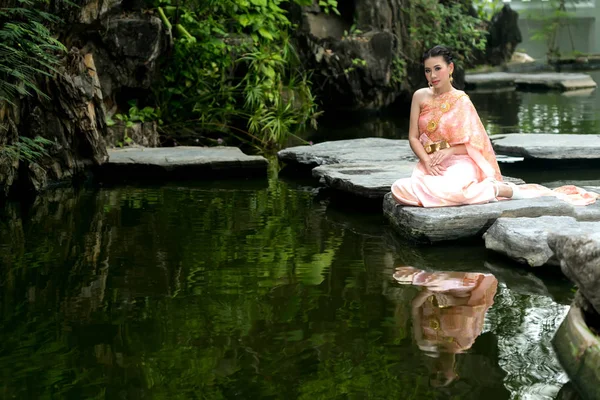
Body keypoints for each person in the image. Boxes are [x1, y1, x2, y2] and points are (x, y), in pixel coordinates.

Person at [391, 45, 598, 207]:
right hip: (431, 164)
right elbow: (413, 137)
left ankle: (499, 190)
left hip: (459, 163)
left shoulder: (461, 100)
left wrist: (449, 151)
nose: (433, 76)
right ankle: (477, 192)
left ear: (450, 68)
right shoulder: (420, 96)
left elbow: (476, 144)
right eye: (428, 71)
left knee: (453, 190)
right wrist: (426, 161)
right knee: (398, 188)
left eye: (438, 69)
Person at [393, 266, 498, 387]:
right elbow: (476, 305)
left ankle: (429, 274)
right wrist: (452, 301)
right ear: (455, 374)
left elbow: (415, 307)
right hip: (461, 288)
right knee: (440, 279)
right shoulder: (464, 342)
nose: (437, 372)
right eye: (442, 378)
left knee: (402, 276)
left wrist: (427, 292)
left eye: (433, 375)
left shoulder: (426, 342)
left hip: (433, 289)